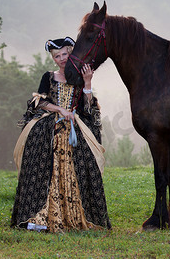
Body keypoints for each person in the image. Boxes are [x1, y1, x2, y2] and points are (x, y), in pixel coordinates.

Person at [11, 37, 111, 232]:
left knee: (83, 161)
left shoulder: (79, 77)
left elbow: (88, 108)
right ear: (54, 59)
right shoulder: (48, 77)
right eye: (57, 56)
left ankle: (76, 216)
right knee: (39, 159)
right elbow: (39, 103)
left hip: (75, 125)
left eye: (65, 54)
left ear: (71, 53)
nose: (62, 58)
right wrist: (60, 110)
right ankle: (40, 217)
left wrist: (88, 82)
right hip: (51, 124)